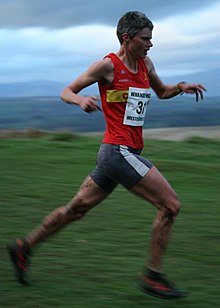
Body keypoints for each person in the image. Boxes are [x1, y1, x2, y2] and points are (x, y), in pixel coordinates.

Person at [7, 11, 206, 299]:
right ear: (127, 38)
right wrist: (80, 100)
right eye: (145, 39)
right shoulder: (107, 66)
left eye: (151, 39)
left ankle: (24, 246)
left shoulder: (145, 63)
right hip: (117, 152)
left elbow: (161, 92)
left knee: (76, 209)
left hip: (118, 155)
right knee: (170, 205)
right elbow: (66, 90)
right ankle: (153, 276)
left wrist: (181, 88)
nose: (151, 45)